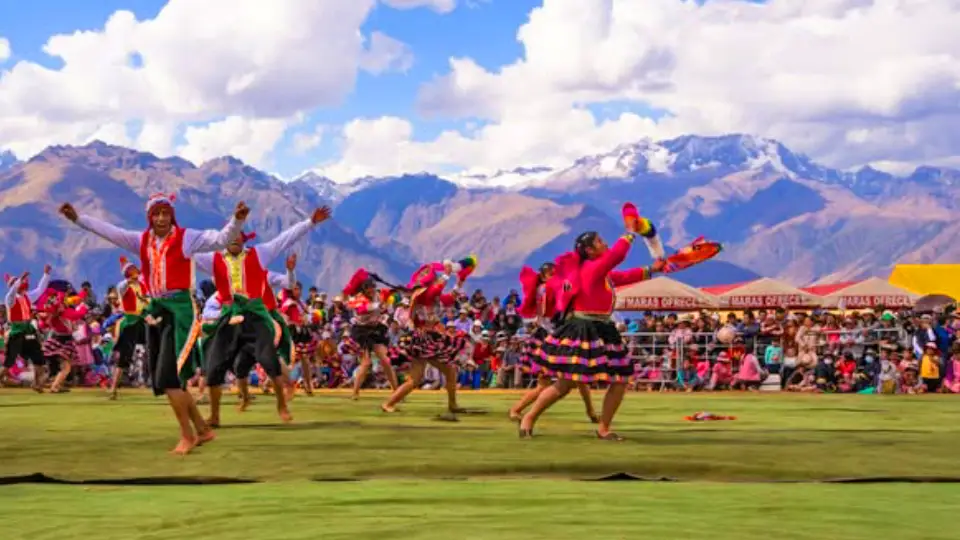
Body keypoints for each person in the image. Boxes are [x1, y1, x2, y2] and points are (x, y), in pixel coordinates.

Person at [59, 193, 248, 455]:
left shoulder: (187, 237)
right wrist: (78, 219)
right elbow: (110, 232)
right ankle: (203, 429)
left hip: (181, 310)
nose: (161, 218)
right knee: (168, 380)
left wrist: (236, 222)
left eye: (165, 213)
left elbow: (220, 240)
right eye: (156, 214)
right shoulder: (142, 241)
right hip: (157, 309)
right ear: (150, 217)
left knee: (168, 378)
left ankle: (187, 436)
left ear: (172, 215)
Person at [519, 221, 666, 440]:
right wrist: (630, 233)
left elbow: (623, 276)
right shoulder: (591, 269)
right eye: (599, 241)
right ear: (589, 251)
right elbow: (615, 256)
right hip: (582, 328)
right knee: (565, 383)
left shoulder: (599, 273)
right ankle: (528, 418)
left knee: (620, 379)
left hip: (603, 328)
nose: (604, 243)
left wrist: (650, 270)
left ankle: (603, 428)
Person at [195, 208, 329, 427]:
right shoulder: (212, 260)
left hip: (255, 316)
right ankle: (215, 415)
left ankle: (281, 405)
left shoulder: (260, 253)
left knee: (269, 361)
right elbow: (186, 250)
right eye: (231, 235)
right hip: (229, 315)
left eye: (239, 235)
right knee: (215, 366)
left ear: (243, 238)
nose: (235, 239)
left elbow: (284, 239)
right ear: (225, 238)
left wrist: (310, 223)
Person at [381, 257, 476, 419]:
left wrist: (460, 280)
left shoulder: (431, 296)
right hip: (423, 340)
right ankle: (388, 403)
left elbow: (450, 298)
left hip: (430, 339)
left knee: (448, 371)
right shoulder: (421, 295)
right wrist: (447, 273)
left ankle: (452, 404)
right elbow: (436, 290)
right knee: (416, 379)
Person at [508, 262, 598, 423]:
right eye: (551, 274)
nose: (554, 277)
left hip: (557, 336)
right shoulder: (546, 289)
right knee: (546, 383)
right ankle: (516, 409)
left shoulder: (547, 289)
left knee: (578, 375)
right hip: (550, 339)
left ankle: (591, 412)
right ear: (543, 276)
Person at [343, 268, 400, 400]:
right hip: (362, 331)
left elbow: (386, 305)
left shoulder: (378, 296)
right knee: (366, 362)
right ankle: (355, 392)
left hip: (375, 329)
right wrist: (378, 305)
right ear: (364, 289)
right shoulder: (359, 299)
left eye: (374, 287)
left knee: (386, 360)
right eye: (369, 288)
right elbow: (362, 309)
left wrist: (388, 300)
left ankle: (396, 391)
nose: (372, 290)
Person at [0, 266, 52, 390]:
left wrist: (45, 275)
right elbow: (12, 291)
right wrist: (19, 280)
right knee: (10, 361)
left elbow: (40, 290)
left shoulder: (27, 296)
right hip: (16, 330)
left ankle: (36, 383)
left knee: (37, 357)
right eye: (18, 282)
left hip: (28, 328)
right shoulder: (10, 299)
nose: (23, 283)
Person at [108, 257, 148, 400]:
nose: (135, 270)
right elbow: (121, 286)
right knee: (124, 358)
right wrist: (131, 276)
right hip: (130, 322)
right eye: (132, 270)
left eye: (135, 269)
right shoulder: (124, 287)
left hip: (142, 321)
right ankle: (113, 388)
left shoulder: (142, 285)